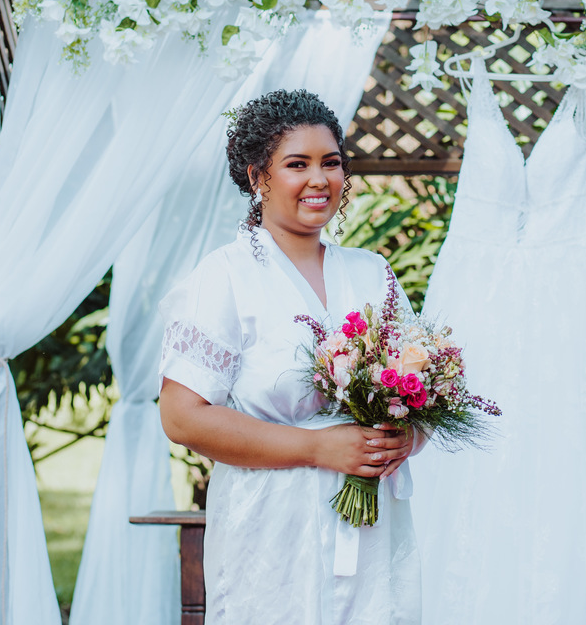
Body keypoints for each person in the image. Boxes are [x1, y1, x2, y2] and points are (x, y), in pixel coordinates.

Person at [158, 89, 422, 625]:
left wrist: (404, 437)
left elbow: (421, 384)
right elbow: (181, 417)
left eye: (331, 162)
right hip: (271, 528)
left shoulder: (374, 273)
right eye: (296, 164)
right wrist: (318, 448)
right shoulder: (224, 277)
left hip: (374, 529)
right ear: (258, 178)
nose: (319, 179)